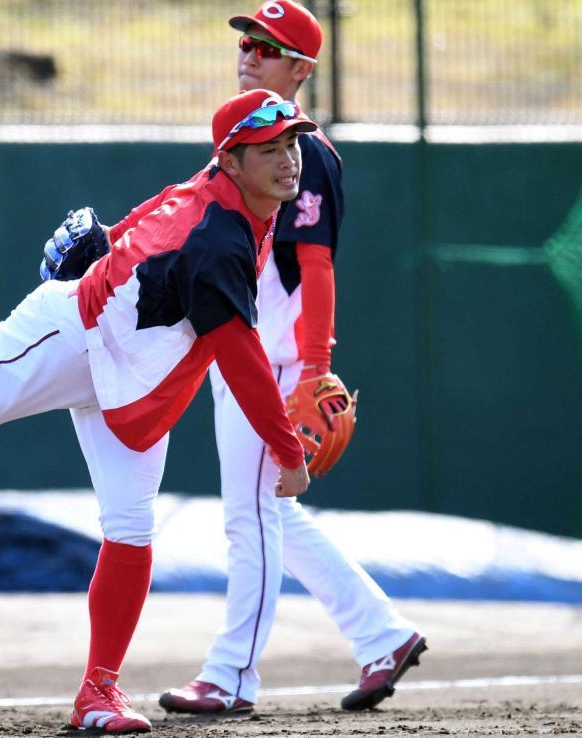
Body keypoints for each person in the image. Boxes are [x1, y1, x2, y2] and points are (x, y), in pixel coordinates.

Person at [0, 87, 314, 733]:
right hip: (72, 337)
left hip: (132, 375)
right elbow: (239, 355)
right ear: (232, 161)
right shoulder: (221, 236)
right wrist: (288, 455)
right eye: (268, 149)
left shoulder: (224, 190)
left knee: (130, 527)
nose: (288, 158)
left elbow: (163, 202)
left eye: (291, 143)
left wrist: (112, 238)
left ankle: (99, 694)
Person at [155, 1, 426, 715]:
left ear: (303, 68)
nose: (250, 51)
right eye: (248, 39)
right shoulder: (246, 142)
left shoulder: (303, 156)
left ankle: (231, 674)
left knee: (250, 516)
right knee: (268, 508)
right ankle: (382, 634)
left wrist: (312, 367)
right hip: (241, 346)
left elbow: (317, 264)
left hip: (275, 357)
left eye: (269, 46)